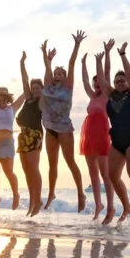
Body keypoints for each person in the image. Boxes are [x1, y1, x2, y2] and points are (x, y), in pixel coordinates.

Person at [98, 40, 130, 223]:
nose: (120, 83)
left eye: (122, 80)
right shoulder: (111, 95)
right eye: (117, 81)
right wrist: (100, 58)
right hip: (118, 140)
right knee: (112, 175)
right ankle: (127, 206)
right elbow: (102, 80)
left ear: (128, 82)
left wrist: (122, 56)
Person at [40, 32, 87, 212]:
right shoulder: (48, 87)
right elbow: (46, 69)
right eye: (56, 73)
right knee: (52, 164)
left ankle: (80, 193)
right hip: (50, 129)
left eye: (61, 73)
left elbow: (71, 63)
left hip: (65, 129)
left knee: (70, 162)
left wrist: (76, 45)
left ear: (65, 76)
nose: (58, 74)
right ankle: (51, 193)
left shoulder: (68, 87)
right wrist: (47, 57)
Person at [0, 66, 26, 212]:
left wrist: (23, 68)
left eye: (4, 98)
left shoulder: (12, 108)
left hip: (6, 143)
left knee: (8, 171)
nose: (1, 99)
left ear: (7, 99)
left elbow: (25, 94)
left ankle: (16, 194)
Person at [79, 51, 112, 221]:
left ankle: (110, 207)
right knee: (93, 174)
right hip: (89, 136)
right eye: (95, 82)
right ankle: (98, 204)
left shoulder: (107, 94)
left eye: (99, 81)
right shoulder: (92, 96)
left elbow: (106, 71)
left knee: (105, 173)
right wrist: (83, 63)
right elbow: (84, 81)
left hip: (102, 134)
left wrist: (105, 54)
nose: (97, 83)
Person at [17, 52, 45, 216]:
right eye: (33, 88)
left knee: (34, 169)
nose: (34, 90)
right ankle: (32, 201)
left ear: (42, 89)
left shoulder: (42, 100)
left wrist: (47, 60)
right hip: (23, 136)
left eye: (37, 88)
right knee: (26, 169)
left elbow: (46, 83)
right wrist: (22, 63)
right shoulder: (28, 99)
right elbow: (24, 80)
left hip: (35, 135)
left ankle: (39, 200)